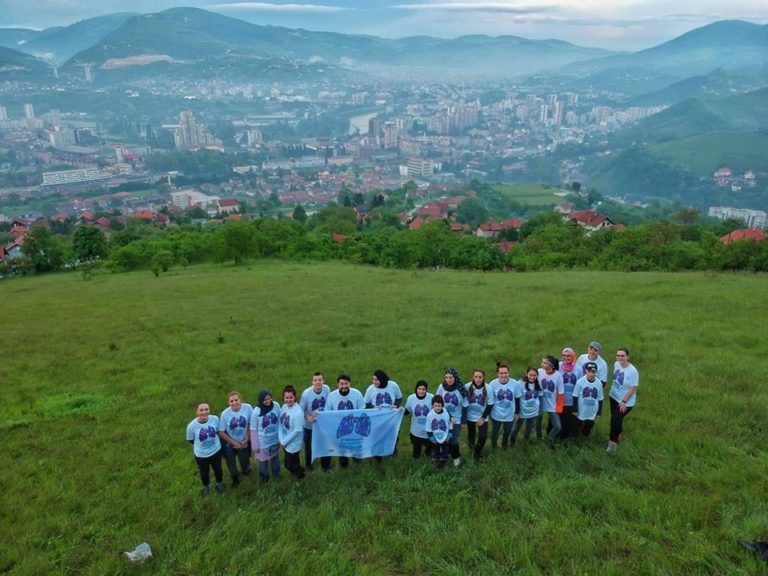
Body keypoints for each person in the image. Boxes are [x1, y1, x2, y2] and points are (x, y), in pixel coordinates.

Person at [326, 373, 365, 468]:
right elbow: (327, 413)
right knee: (342, 449)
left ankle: (358, 465)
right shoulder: (331, 396)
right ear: (337, 384)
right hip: (340, 428)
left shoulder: (357, 394)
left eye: (346, 383)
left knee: (356, 448)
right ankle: (344, 467)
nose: (344, 386)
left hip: (354, 428)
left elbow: (363, 410)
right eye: (341, 384)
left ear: (350, 384)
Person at [364, 369, 404, 461]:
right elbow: (365, 403)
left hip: (391, 418)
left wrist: (396, 406)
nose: (374, 382)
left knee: (393, 436)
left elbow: (399, 397)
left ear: (382, 379)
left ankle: (393, 453)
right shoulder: (371, 389)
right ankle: (378, 457)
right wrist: (373, 407)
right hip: (377, 420)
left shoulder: (393, 385)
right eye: (373, 379)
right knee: (377, 438)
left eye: (376, 379)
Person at [186, 402, 224, 496]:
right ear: (197, 412)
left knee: (218, 469)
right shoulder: (191, 426)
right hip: (201, 455)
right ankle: (206, 487)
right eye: (201, 410)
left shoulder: (215, 419)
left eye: (206, 409)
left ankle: (219, 484)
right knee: (204, 473)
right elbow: (191, 440)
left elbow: (218, 431)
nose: (204, 412)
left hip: (216, 451)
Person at [217, 391, 253, 487]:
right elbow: (221, 432)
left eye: (236, 400)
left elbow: (251, 424)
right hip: (230, 442)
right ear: (228, 403)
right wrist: (233, 443)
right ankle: (235, 479)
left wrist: (247, 439)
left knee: (245, 461)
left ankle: (246, 470)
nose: (234, 403)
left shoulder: (248, 408)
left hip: (243, 441)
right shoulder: (225, 414)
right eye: (231, 401)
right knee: (230, 462)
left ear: (240, 400)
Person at [607, 347, 639, 453]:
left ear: (628, 357)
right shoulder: (616, 364)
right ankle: (619, 435)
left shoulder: (632, 371)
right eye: (618, 355)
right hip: (613, 397)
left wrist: (624, 401)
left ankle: (613, 442)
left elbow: (633, 388)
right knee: (616, 418)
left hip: (625, 401)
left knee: (615, 420)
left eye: (623, 356)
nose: (620, 358)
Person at [300, 372, 331, 471]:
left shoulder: (327, 389)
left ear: (323, 381)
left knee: (325, 445)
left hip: (323, 425)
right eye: (315, 380)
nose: (318, 382)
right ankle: (309, 467)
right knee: (309, 447)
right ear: (312, 382)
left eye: (320, 380)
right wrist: (307, 416)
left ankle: (326, 466)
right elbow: (301, 409)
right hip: (310, 426)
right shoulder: (306, 394)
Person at [436, 367, 467, 467]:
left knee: (453, 440)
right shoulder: (442, 387)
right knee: (446, 439)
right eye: (447, 377)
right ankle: (445, 456)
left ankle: (456, 458)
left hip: (457, 419)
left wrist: (463, 421)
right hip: (444, 417)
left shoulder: (461, 388)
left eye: (451, 377)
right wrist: (448, 416)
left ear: (455, 377)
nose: (449, 380)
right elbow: (437, 401)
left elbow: (465, 405)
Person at [250, 389, 281, 482]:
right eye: (265, 400)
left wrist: (281, 438)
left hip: (275, 440)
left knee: (275, 460)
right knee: (263, 463)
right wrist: (255, 445)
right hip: (262, 443)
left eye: (269, 398)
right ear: (260, 400)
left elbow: (280, 420)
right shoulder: (256, 411)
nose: (268, 401)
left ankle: (276, 476)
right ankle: (265, 479)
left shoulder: (276, 405)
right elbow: (253, 429)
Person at [465, 369, 494, 461]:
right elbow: (463, 401)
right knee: (471, 435)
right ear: (473, 377)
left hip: (482, 416)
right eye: (476, 377)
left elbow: (490, 404)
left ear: (483, 377)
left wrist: (483, 418)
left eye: (480, 377)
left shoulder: (488, 388)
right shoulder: (467, 386)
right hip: (470, 416)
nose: (478, 379)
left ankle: (477, 452)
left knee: (483, 436)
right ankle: (472, 450)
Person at [278, 385, 305, 479]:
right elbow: (280, 423)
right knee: (293, 462)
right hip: (285, 441)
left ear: (295, 397)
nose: (288, 400)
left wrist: (284, 442)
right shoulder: (284, 407)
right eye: (286, 397)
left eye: (291, 397)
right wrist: (282, 440)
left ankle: (300, 476)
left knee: (288, 464)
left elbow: (297, 431)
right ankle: (300, 472)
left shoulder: (298, 412)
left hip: (294, 443)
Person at [490, 362, 519, 449]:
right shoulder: (492, 384)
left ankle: (504, 445)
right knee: (495, 432)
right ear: (497, 374)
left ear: (508, 373)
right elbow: (490, 400)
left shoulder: (515, 383)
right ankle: (494, 447)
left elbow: (517, 398)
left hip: (510, 414)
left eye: (505, 373)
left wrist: (517, 412)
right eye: (501, 373)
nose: (504, 375)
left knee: (507, 432)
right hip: (496, 414)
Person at [403, 380, 434, 459]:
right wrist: (398, 410)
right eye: (419, 389)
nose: (421, 391)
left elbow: (437, 411)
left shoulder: (431, 397)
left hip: (428, 430)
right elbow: (407, 411)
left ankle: (428, 454)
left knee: (429, 452)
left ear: (426, 390)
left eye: (423, 389)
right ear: (416, 389)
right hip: (415, 431)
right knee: (416, 453)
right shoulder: (411, 398)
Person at [572, 362, 604, 437]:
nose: (591, 374)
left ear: (596, 372)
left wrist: (599, 412)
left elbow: (600, 398)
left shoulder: (598, 382)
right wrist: (575, 410)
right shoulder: (580, 382)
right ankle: (575, 437)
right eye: (589, 371)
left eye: (593, 372)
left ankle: (585, 435)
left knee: (589, 424)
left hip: (592, 409)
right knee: (578, 424)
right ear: (586, 371)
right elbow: (575, 396)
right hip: (582, 408)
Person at [538, 355, 564, 445]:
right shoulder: (539, 372)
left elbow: (561, 393)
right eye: (542, 362)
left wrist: (559, 407)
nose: (542, 364)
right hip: (540, 404)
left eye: (545, 363)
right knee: (537, 424)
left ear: (552, 366)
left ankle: (549, 438)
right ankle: (539, 439)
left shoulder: (558, 376)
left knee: (557, 426)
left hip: (552, 404)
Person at [514, 367, 543, 442]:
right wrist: (517, 411)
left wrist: (540, 410)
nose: (532, 377)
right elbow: (516, 397)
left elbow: (540, 397)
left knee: (529, 428)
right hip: (522, 412)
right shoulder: (520, 383)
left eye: (534, 375)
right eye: (530, 375)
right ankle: (511, 441)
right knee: (516, 428)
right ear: (527, 374)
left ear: (537, 376)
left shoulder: (538, 383)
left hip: (533, 412)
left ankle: (525, 441)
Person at [425, 395, 453, 468]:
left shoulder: (446, 413)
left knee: (445, 447)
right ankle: (437, 459)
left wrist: (449, 435)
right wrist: (431, 438)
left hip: (445, 435)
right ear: (432, 406)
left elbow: (450, 424)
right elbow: (428, 427)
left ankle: (444, 459)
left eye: (439, 406)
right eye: (435, 406)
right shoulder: (430, 415)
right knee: (435, 448)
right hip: (435, 436)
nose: (437, 408)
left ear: (442, 405)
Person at [559, 348, 580, 439]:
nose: (566, 358)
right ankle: (560, 437)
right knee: (561, 419)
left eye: (568, 356)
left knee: (571, 420)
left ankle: (571, 437)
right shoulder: (558, 366)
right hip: (560, 399)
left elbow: (580, 384)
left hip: (572, 399)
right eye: (564, 355)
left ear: (573, 356)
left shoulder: (578, 368)